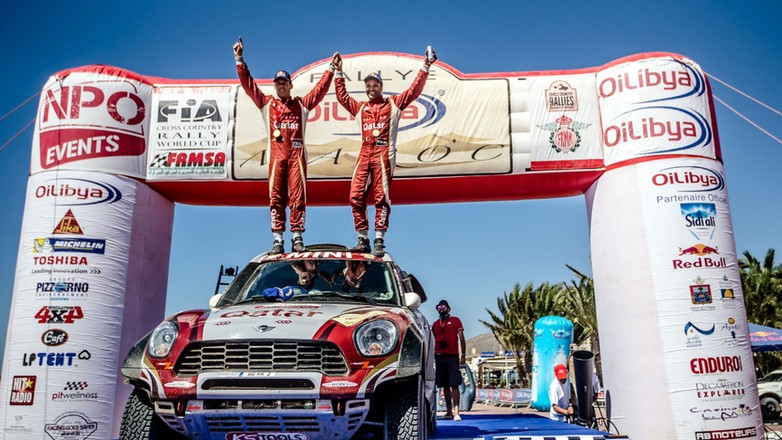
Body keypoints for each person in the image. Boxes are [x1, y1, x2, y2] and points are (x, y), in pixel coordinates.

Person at [234, 38, 337, 254]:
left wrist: (330, 68)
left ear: (290, 85)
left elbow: (319, 91)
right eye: (278, 83)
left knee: (298, 197)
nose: (281, 86)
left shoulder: (301, 104)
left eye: (284, 83)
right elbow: (249, 85)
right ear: (275, 86)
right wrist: (239, 59)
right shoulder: (267, 104)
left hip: (296, 158)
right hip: (277, 159)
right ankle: (278, 239)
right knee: (276, 198)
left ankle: (297, 236)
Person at [332, 48, 437, 256]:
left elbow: (414, 91)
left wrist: (426, 66)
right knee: (355, 196)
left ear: (381, 87)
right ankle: (363, 238)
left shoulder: (393, 104)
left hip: (383, 153)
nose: (371, 89)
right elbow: (342, 97)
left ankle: (379, 239)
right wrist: (338, 72)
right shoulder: (361, 108)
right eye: (368, 86)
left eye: (375, 85)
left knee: (381, 197)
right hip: (364, 152)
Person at [432, 299, 466, 421]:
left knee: (454, 385)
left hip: (452, 356)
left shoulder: (455, 320)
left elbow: (461, 338)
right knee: (444, 385)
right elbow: (432, 341)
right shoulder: (435, 324)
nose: (441, 309)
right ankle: (448, 412)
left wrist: (463, 355)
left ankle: (457, 412)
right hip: (439, 356)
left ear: (448, 309)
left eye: (444, 307)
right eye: (439, 307)